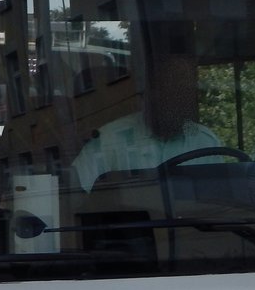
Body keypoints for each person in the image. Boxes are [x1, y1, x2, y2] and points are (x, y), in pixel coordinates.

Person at [71, 49, 222, 192]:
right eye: (169, 90)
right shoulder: (109, 138)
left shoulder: (205, 141)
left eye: (184, 91)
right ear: (151, 94)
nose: (176, 100)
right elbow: (75, 197)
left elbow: (221, 201)